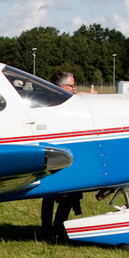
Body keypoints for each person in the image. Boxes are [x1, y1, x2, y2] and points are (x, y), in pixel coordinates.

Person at [41, 71, 89, 241]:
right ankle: (54, 229)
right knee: (57, 192)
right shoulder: (57, 103)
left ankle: (53, 228)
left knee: (58, 194)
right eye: (72, 86)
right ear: (62, 87)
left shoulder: (51, 99)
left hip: (58, 152)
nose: (74, 89)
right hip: (57, 154)